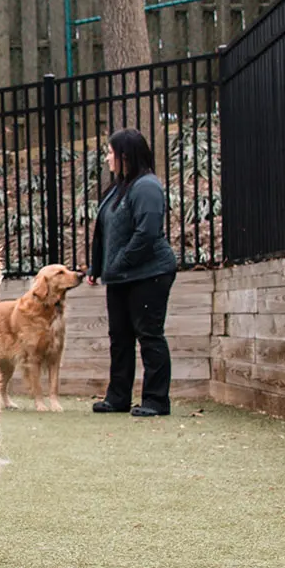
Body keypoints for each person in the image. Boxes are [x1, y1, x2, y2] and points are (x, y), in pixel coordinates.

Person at [87, 128, 178, 417]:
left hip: (149, 274)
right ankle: (118, 397)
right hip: (120, 278)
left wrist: (120, 263)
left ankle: (156, 400)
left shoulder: (146, 186)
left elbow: (147, 233)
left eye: (110, 153)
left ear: (125, 155)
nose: (107, 158)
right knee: (120, 338)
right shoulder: (118, 187)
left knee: (149, 335)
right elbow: (104, 231)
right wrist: (97, 267)